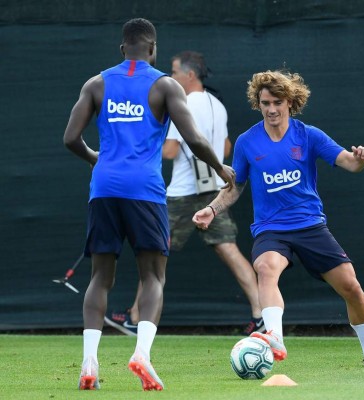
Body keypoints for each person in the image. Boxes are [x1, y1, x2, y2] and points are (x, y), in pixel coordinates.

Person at [63, 18, 235, 391]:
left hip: (104, 189)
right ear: (153, 49)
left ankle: (89, 361)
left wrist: (97, 159)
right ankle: (141, 354)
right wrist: (221, 168)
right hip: (145, 191)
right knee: (153, 276)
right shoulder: (165, 85)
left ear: (122, 48)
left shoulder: (97, 83)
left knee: (100, 277)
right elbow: (193, 139)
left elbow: (70, 138)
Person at [192, 70, 364, 369]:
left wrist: (361, 159)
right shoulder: (247, 142)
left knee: (351, 287)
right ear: (258, 104)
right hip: (271, 229)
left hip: (311, 225)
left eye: (277, 102)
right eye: (265, 103)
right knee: (265, 266)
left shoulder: (309, 135)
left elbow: (349, 163)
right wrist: (212, 209)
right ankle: (274, 335)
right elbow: (235, 187)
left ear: (290, 102)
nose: (271, 109)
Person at [104, 51, 264, 337]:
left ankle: (135, 317)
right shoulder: (217, 104)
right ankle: (260, 313)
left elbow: (170, 150)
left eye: (175, 71)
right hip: (216, 192)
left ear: (190, 75)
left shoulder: (184, 102)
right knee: (228, 247)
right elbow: (225, 148)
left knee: (153, 252)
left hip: (181, 195)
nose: (170, 75)